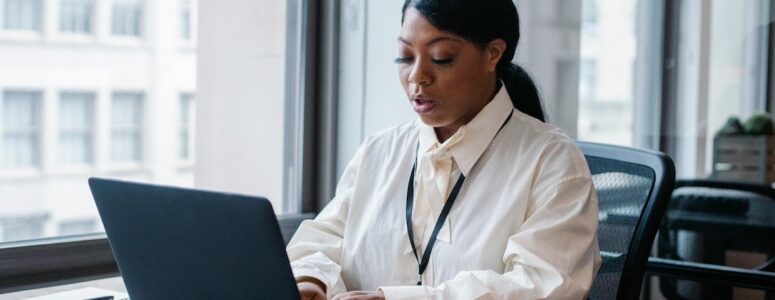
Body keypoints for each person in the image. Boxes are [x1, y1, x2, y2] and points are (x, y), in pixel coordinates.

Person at [287, 0, 601, 299]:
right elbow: (322, 239)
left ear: (493, 54)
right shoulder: (380, 151)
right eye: (405, 57)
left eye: (441, 58)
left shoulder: (553, 163)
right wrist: (310, 279)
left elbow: (543, 287)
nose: (416, 76)